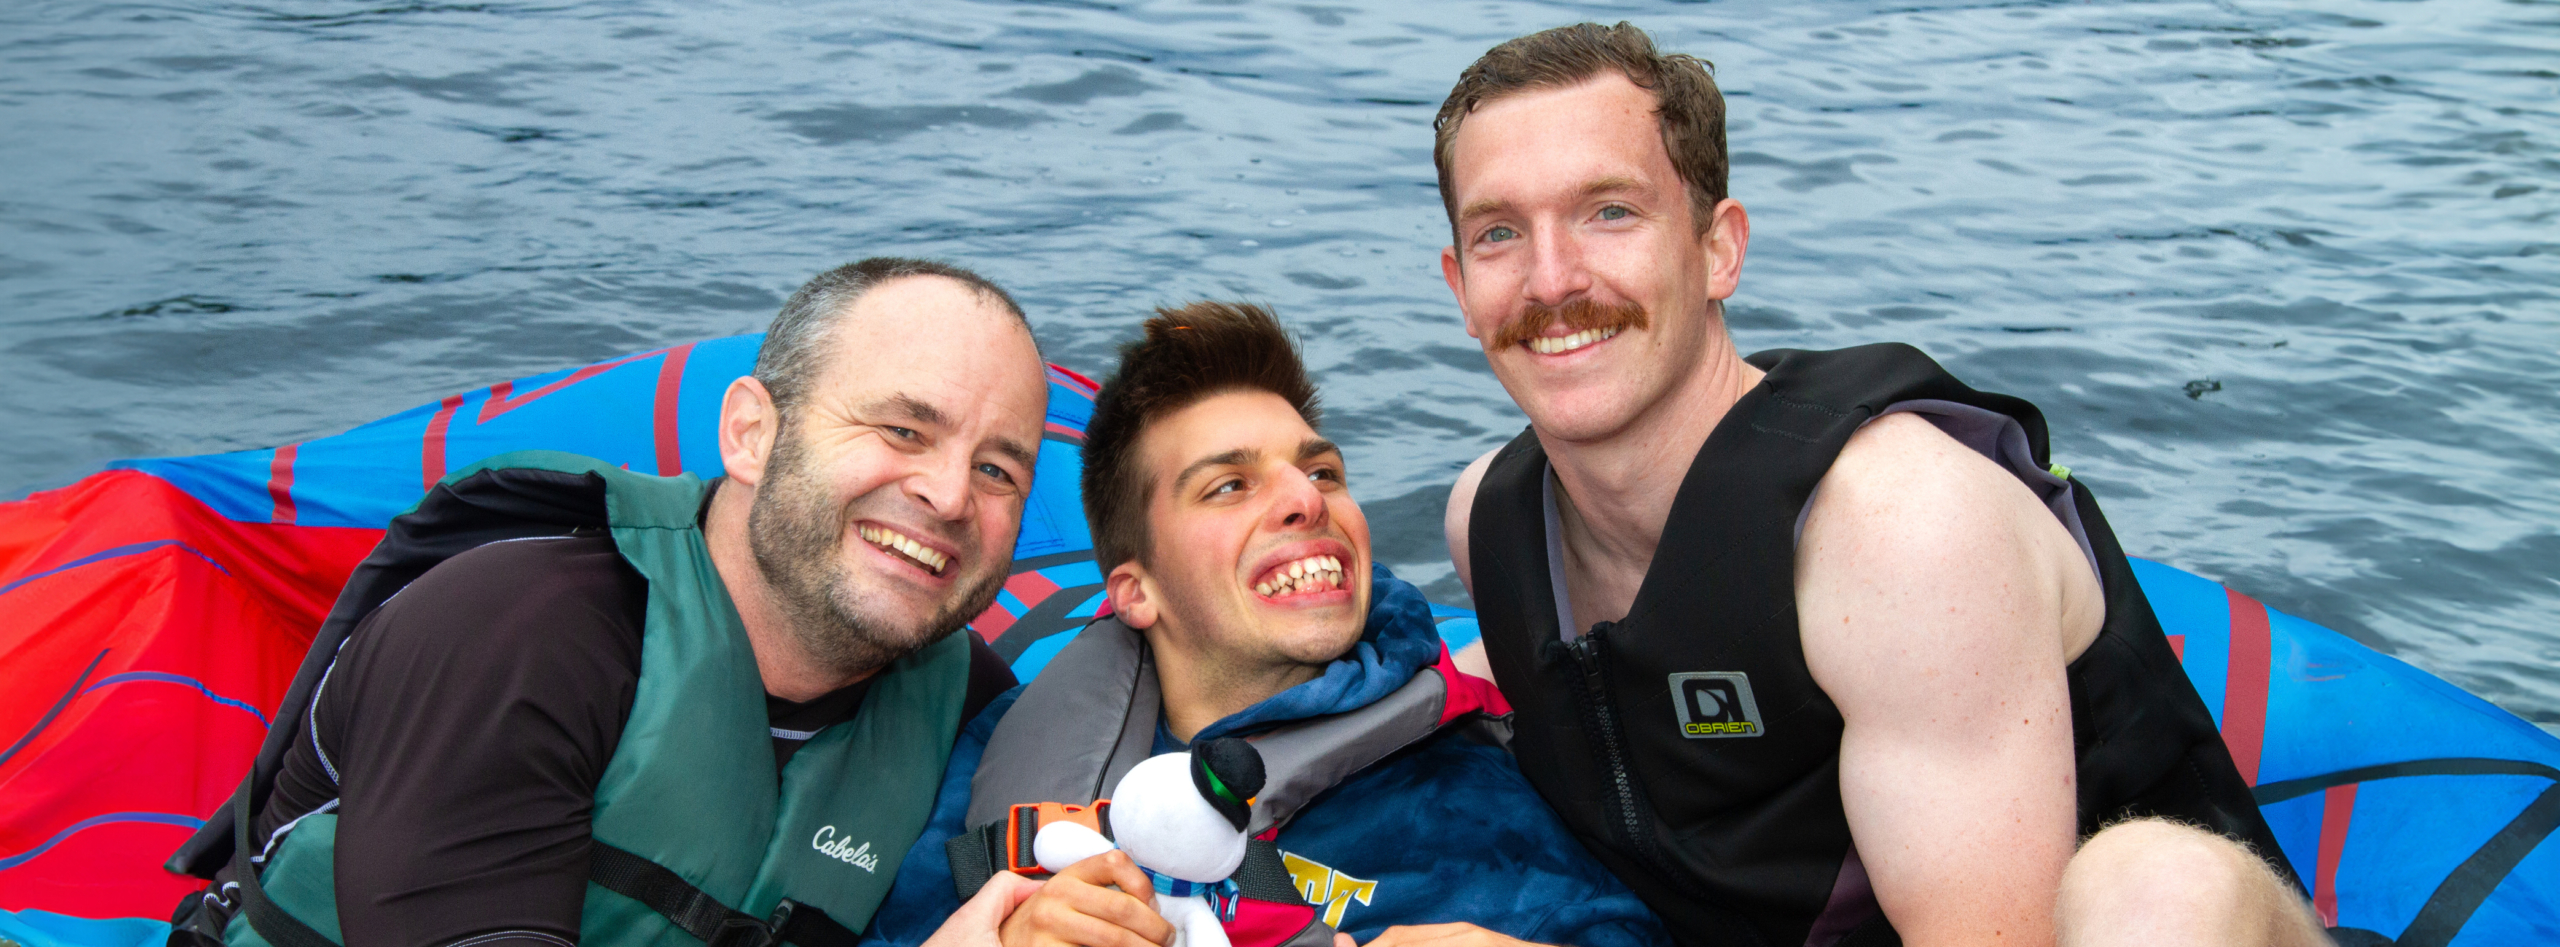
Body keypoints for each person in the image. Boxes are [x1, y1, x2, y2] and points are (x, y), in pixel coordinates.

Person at [1431, 23, 2329, 947]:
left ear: (1719, 249)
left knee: (2155, 890)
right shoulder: (1492, 524)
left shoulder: (1895, 526)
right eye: (1500, 232)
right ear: (1461, 289)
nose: (1551, 279)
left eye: (1609, 211)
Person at [170, 258, 1058, 947]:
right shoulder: (516, 635)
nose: (948, 495)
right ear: (751, 433)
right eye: (903, 429)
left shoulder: (965, 712)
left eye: (997, 469)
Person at [865, 303, 1670, 947]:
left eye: (1321, 470)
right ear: (1135, 592)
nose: (1306, 497)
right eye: (1228, 485)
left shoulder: (1460, 799)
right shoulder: (1006, 741)